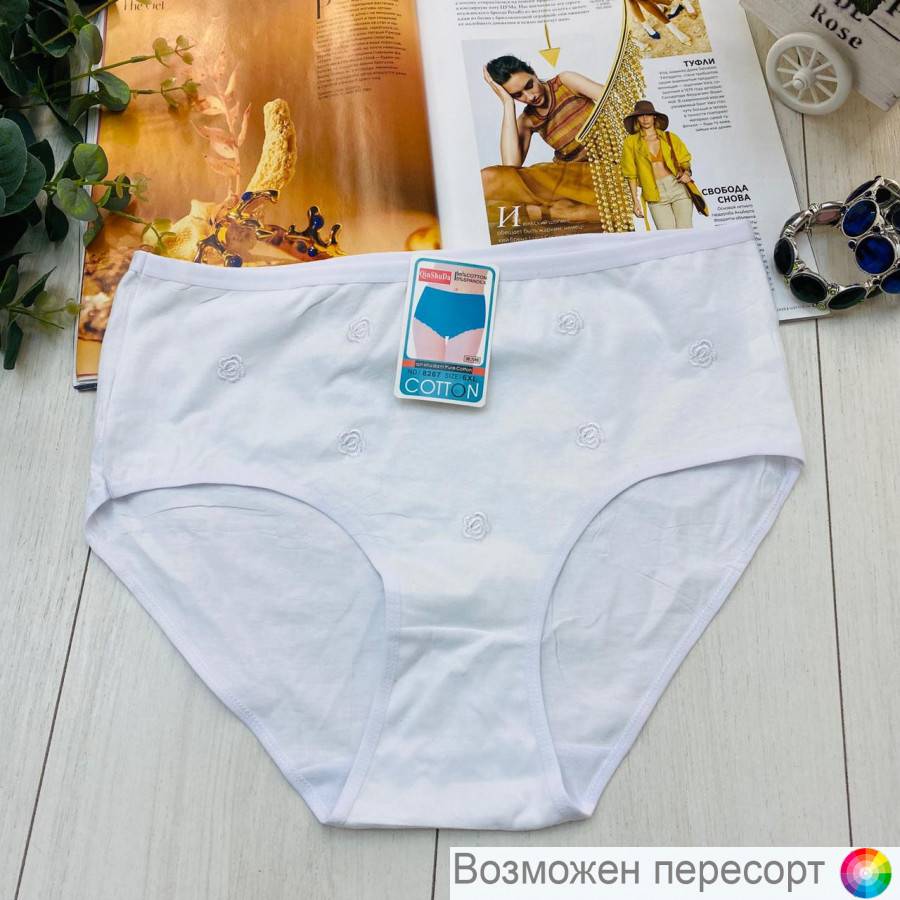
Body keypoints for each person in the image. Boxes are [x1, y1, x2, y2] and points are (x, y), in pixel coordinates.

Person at [481, 56, 606, 224]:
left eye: (529, 85)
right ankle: (555, 210)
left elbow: (613, 101)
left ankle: (553, 212)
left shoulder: (565, 82)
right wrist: (508, 103)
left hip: (603, 169)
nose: (529, 97)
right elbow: (510, 168)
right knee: (490, 178)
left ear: (533, 73)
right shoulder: (527, 120)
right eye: (518, 95)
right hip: (569, 175)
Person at [620, 99, 695, 230]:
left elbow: (684, 161)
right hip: (654, 193)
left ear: (654, 116)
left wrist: (687, 173)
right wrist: (635, 201)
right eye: (641, 115)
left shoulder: (669, 137)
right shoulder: (630, 142)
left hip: (677, 187)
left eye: (648, 114)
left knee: (686, 232)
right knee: (667, 236)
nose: (645, 119)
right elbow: (630, 174)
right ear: (636, 119)